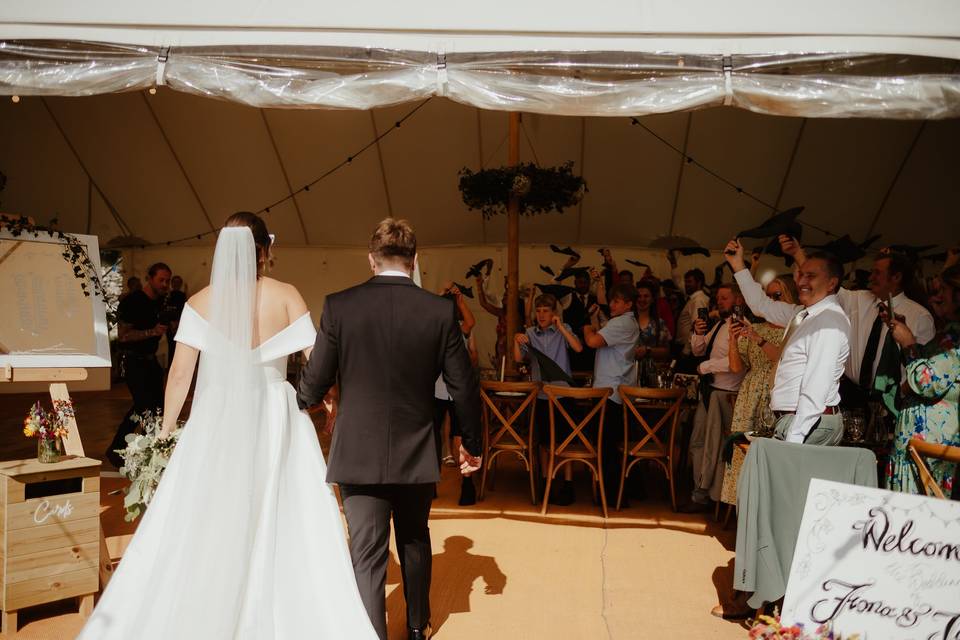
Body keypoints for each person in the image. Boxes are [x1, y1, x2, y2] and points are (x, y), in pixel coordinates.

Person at [80, 213, 379, 639]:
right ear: (264, 252)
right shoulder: (287, 295)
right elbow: (318, 362)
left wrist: (165, 433)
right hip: (278, 418)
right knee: (286, 510)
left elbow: (180, 376)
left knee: (212, 511)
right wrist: (330, 402)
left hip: (216, 419)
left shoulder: (199, 302)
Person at [297, 218, 482, 640]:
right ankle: (417, 628)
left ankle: (371, 633)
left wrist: (304, 398)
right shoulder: (439, 311)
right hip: (416, 450)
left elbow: (315, 380)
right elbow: (463, 386)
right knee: (414, 539)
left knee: (366, 553)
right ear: (415, 260)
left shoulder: (339, 305)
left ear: (371, 260)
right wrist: (470, 443)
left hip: (356, 451)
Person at [780, 237, 935, 410]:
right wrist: (798, 254)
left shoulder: (919, 316)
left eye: (877, 273)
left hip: (894, 402)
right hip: (852, 396)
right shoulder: (860, 299)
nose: (871, 277)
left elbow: (925, 365)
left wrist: (900, 396)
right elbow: (825, 283)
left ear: (896, 276)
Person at [725, 239, 850, 445]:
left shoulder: (828, 321)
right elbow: (760, 305)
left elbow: (817, 385)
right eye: (801, 274)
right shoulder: (802, 315)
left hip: (809, 425)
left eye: (811, 276)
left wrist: (794, 438)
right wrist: (738, 265)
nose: (801, 281)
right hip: (796, 422)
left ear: (831, 283)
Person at [885, 264, 960, 495]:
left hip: (932, 455)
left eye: (943, 291)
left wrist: (908, 343)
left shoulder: (956, 339)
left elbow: (927, 381)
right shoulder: (946, 333)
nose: (936, 297)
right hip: (916, 450)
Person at [680, 283, 748, 512]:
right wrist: (698, 333)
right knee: (698, 443)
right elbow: (699, 350)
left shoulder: (741, 327)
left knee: (714, 449)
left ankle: (708, 495)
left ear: (738, 299)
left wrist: (706, 367)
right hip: (710, 391)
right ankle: (700, 492)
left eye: (725, 298)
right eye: (718, 298)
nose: (719, 301)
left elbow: (738, 363)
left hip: (726, 395)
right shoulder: (720, 324)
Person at [514, 293, 583, 505]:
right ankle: (547, 481)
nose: (542, 314)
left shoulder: (564, 330)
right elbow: (518, 359)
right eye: (539, 310)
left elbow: (578, 348)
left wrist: (561, 327)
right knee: (544, 442)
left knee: (565, 440)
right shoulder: (530, 333)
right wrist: (516, 341)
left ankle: (568, 484)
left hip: (563, 393)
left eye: (546, 310)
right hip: (542, 395)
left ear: (554, 313)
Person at [105, 262, 171, 468]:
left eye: (167, 281)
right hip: (133, 362)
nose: (165, 284)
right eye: (161, 280)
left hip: (150, 362)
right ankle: (118, 450)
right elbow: (123, 336)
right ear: (149, 278)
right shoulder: (132, 301)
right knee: (144, 408)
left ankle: (145, 447)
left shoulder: (159, 302)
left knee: (157, 408)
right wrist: (152, 332)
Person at [584, 283, 640, 502]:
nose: (612, 304)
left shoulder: (623, 322)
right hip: (616, 389)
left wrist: (586, 327)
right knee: (610, 445)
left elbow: (593, 341)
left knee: (607, 446)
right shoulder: (626, 322)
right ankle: (618, 493)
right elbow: (604, 334)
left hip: (611, 391)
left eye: (617, 301)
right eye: (612, 300)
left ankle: (611, 495)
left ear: (628, 304)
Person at [433, 281, 479, 506]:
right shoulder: (432, 329)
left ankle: (467, 483)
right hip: (436, 389)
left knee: (461, 436)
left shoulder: (459, 329)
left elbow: (471, 321)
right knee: (432, 436)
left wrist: (460, 301)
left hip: (458, 392)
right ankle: (429, 483)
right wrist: (439, 295)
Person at [669, 251, 710, 370]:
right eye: (686, 282)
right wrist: (673, 263)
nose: (686, 285)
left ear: (699, 283)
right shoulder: (694, 297)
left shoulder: (698, 300)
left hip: (689, 350)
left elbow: (697, 325)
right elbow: (678, 282)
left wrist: (686, 350)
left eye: (689, 282)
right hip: (685, 347)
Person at [162, 274, 188, 364]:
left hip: (180, 326)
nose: (176, 284)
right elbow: (164, 311)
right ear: (171, 284)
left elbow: (184, 310)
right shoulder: (166, 296)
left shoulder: (183, 295)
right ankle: (170, 369)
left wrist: (177, 323)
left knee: (179, 349)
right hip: (170, 327)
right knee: (171, 348)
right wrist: (170, 323)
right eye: (174, 282)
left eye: (178, 282)